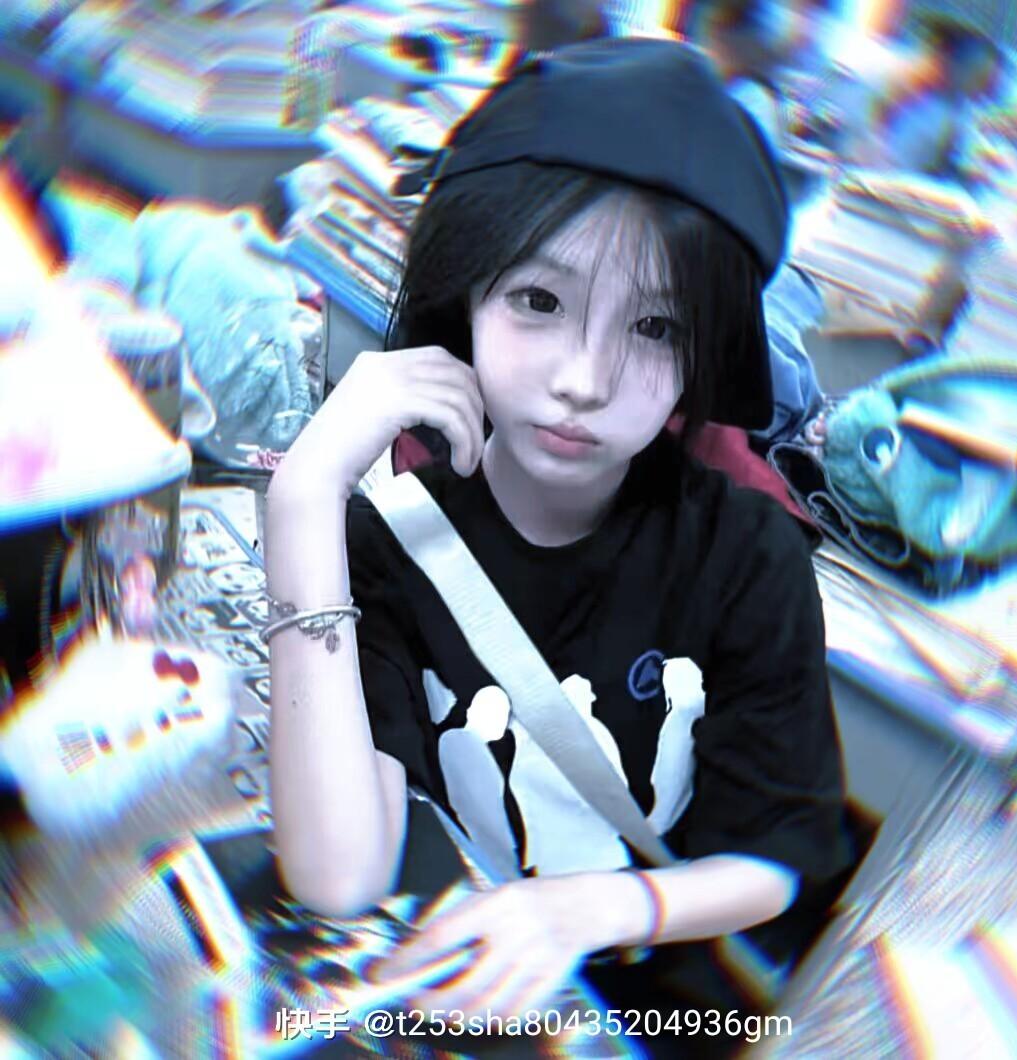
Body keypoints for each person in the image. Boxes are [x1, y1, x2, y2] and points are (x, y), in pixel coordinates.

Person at [265, 37, 853, 1045]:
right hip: (444, 989)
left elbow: (776, 852)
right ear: (468, 297)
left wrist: (588, 910)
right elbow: (337, 875)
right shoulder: (389, 544)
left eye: (656, 329)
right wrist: (303, 499)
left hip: (639, 995)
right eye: (538, 302)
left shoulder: (744, 554)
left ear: (702, 353)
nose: (584, 380)